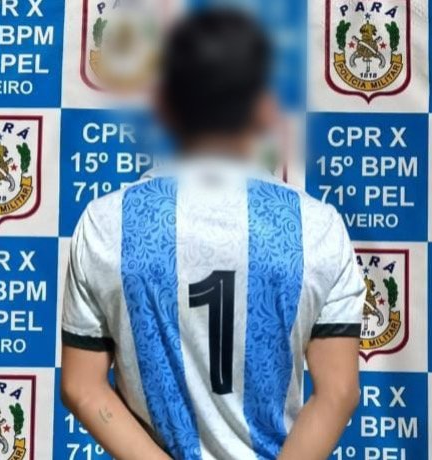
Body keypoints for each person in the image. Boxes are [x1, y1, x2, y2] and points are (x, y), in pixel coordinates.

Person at [60, 8, 365, 460]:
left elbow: (82, 387)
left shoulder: (105, 224)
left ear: (165, 106)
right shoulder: (318, 228)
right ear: (265, 108)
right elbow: (339, 392)